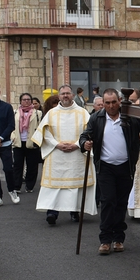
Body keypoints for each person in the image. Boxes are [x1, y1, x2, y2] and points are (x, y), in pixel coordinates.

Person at [80, 89, 140, 255]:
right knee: (107, 201)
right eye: (107, 103)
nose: (111, 106)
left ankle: (119, 238)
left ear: (120, 101)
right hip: (105, 166)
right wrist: (85, 143)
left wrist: (136, 114)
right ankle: (105, 240)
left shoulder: (129, 116)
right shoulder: (96, 118)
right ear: (102, 103)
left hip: (125, 166)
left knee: (120, 203)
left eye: (114, 102)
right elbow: (85, 135)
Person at [32, 85, 95, 225]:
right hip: (57, 154)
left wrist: (77, 145)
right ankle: (52, 213)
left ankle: (75, 212)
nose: (65, 96)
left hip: (76, 154)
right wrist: (57, 144)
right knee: (55, 186)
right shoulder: (51, 113)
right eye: (62, 94)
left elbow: (89, 131)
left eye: (68, 93)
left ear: (72, 95)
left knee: (75, 186)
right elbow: (44, 133)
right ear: (59, 96)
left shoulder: (83, 113)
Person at [11, 93, 42, 194]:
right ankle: (16, 186)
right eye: (24, 99)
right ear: (20, 101)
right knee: (17, 166)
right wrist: (13, 137)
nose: (26, 101)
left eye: (28, 99)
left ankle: (29, 186)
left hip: (31, 143)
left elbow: (41, 127)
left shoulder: (38, 113)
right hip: (18, 142)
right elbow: (11, 127)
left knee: (32, 166)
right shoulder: (15, 112)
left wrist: (37, 140)